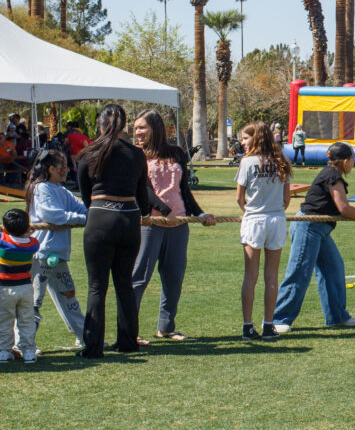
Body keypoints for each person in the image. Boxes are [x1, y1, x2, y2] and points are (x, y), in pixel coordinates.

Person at [131, 110, 216, 343]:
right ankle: (130, 330)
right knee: (139, 278)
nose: (137, 132)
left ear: (155, 128)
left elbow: (184, 190)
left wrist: (200, 213)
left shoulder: (177, 153)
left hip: (179, 225)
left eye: (141, 127)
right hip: (151, 223)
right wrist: (165, 212)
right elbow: (144, 191)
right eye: (136, 128)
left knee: (174, 277)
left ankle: (166, 327)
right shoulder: (136, 155)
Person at [273, 142, 355, 333]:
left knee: (333, 269)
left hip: (320, 229)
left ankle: (336, 317)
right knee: (299, 272)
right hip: (308, 226)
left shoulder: (332, 174)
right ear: (345, 161)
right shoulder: (332, 175)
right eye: (352, 160)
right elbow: (343, 207)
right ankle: (278, 319)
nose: (353, 164)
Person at [76, 103, 150, 358]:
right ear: (124, 125)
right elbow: (143, 197)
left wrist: (99, 208)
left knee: (97, 286)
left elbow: (85, 195)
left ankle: (93, 346)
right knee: (124, 284)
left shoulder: (89, 152)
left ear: (100, 124)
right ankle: (128, 341)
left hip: (100, 218)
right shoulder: (137, 154)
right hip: (129, 219)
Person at [24, 150, 87, 348]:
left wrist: (89, 215)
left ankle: (86, 336)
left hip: (57, 255)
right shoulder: (40, 188)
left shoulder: (63, 191)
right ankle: (24, 345)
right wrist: (81, 219)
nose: (67, 170)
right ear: (51, 168)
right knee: (34, 302)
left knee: (69, 297)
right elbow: (50, 215)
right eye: (63, 166)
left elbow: (82, 209)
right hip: (40, 254)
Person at [235, 121, 292, 340]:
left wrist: (249, 210)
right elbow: (287, 199)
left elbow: (240, 198)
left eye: (245, 137)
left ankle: (248, 326)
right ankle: (269, 325)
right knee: (271, 277)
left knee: (251, 276)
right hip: (277, 220)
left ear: (256, 138)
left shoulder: (247, 162)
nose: (242, 141)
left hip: (254, 221)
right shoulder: (282, 161)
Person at [0, 209, 40, 363]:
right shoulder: (32, 244)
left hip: (4, 289)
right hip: (25, 288)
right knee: (27, 320)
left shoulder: (3, 241)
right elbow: (27, 238)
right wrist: (28, 232)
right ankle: (29, 351)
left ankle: (4, 351)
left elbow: (7, 236)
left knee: (4, 321)